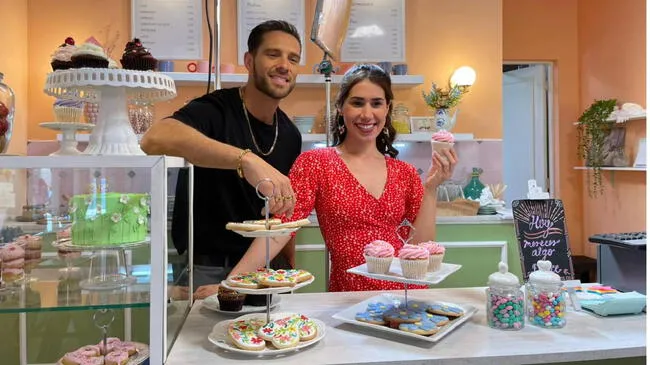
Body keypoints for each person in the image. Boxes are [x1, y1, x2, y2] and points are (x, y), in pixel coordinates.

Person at [228, 63, 458, 292]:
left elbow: (418, 251)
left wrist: (431, 189)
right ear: (340, 107)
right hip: (348, 297)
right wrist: (233, 281)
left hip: (404, 296)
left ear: (387, 109)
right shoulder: (316, 163)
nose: (367, 114)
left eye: (376, 103)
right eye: (357, 103)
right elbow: (281, 230)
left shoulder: (405, 172)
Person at [140, 20, 303, 298]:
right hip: (208, 266)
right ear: (249, 61)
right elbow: (153, 138)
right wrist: (246, 159)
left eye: (293, 58)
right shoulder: (215, 110)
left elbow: (281, 210)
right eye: (273, 54)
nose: (284, 65)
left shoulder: (290, 134)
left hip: (264, 265)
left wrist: (287, 261)